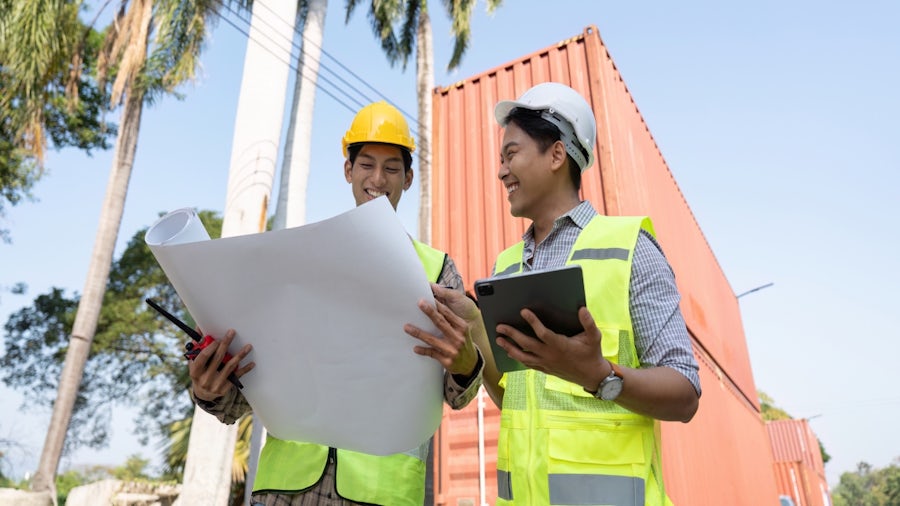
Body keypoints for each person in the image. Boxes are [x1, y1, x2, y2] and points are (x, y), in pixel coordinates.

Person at [188, 100, 484, 506]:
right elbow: (249, 391)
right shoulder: (296, 259)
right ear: (348, 171)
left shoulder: (436, 272)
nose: (377, 178)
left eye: (392, 167)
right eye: (366, 164)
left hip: (384, 493)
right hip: (285, 490)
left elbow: (458, 395)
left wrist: (467, 364)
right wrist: (210, 389)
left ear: (409, 178)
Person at [427, 82, 702, 505]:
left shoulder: (629, 248)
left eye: (512, 154)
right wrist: (475, 330)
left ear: (556, 154)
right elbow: (515, 401)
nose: (501, 171)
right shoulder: (506, 266)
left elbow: (684, 395)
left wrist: (598, 375)